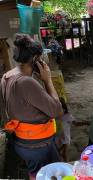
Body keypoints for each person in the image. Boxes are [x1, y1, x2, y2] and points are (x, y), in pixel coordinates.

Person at [0, 34, 63, 179]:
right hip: (38, 144)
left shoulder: (7, 76)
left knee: (35, 173)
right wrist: (47, 81)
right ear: (35, 59)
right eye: (41, 58)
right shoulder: (27, 83)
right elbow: (57, 110)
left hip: (22, 141)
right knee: (48, 174)